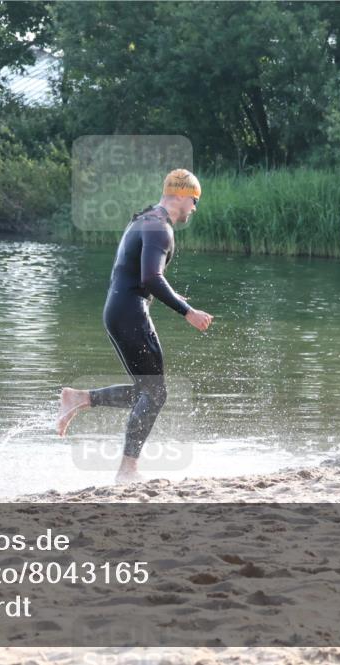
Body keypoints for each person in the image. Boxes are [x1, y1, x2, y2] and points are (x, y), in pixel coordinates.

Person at [57, 169, 213, 483]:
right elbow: (150, 278)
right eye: (194, 200)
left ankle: (80, 398)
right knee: (155, 394)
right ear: (181, 196)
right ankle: (127, 470)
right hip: (130, 313)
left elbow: (136, 274)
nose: (194, 208)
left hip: (118, 310)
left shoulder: (144, 219)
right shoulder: (160, 229)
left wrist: (168, 294)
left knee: (148, 392)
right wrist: (188, 311)